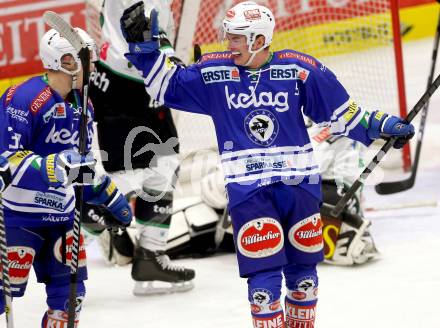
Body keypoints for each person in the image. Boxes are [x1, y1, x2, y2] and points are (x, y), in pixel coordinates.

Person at [119, 1, 415, 326]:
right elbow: (167, 86)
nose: (226, 43)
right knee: (264, 279)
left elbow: (344, 115)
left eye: (235, 38)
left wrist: (382, 125)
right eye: (227, 36)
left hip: (300, 188)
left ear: (258, 41)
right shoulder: (215, 73)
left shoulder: (299, 69)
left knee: (304, 278)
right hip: (249, 193)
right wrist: (145, 50)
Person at [0, 27, 132, 327]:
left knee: (70, 300)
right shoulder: (22, 97)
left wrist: (108, 195)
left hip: (62, 218)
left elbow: (81, 165)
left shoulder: (83, 105)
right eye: (89, 59)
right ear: (68, 61)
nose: (95, 66)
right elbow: (6, 160)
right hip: (18, 218)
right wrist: (54, 165)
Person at [83, 0, 195, 295]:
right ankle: (66, 242)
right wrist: (173, 64)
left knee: (164, 163)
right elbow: (140, 28)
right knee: (132, 174)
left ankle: (150, 255)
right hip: (126, 83)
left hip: (140, 79)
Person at [306, 118, 379, 265]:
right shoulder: (359, 122)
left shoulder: (318, 130)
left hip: (329, 194)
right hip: (348, 194)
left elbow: (311, 167)